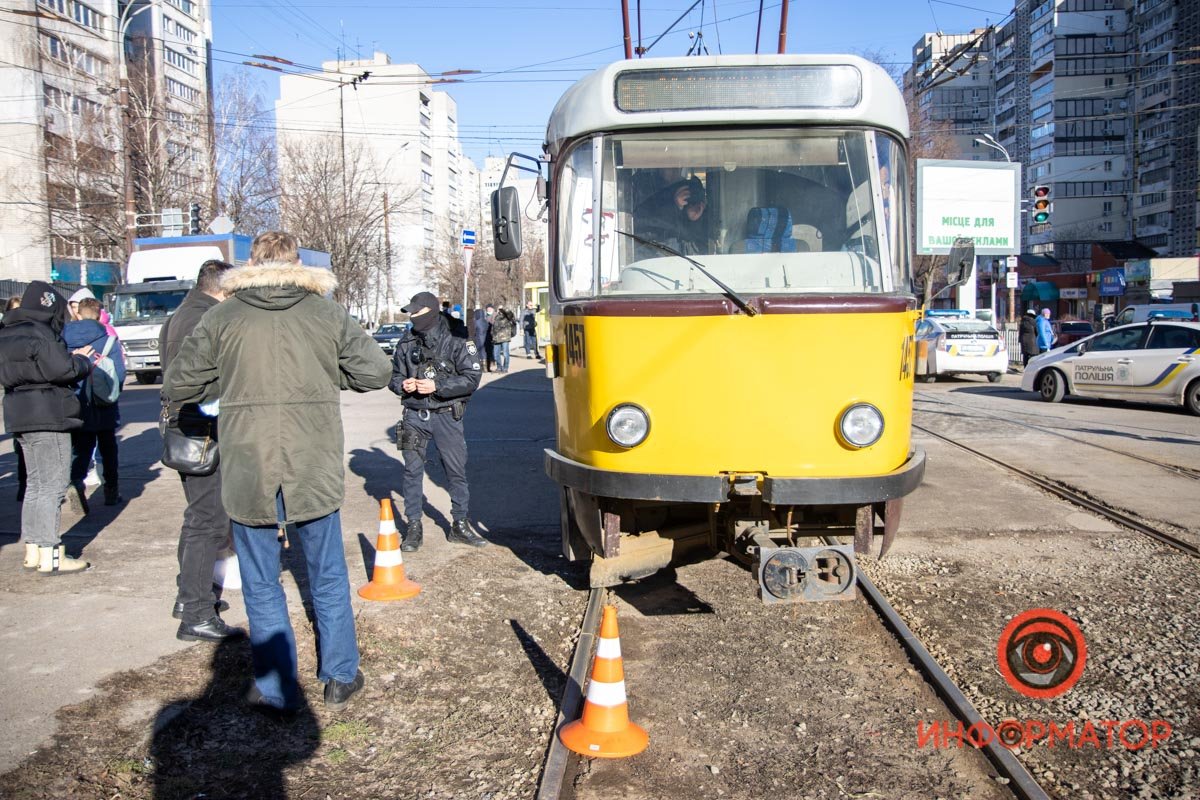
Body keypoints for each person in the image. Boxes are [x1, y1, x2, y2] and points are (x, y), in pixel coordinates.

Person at [164, 231, 392, 712]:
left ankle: (275, 688)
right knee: (327, 573)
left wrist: (221, 378)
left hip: (248, 466)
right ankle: (339, 676)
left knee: (261, 580)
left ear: (249, 266)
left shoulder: (223, 316)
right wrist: (334, 371)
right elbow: (375, 372)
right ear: (296, 263)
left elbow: (180, 381)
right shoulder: (326, 312)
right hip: (313, 467)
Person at [159, 259, 244, 642]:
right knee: (207, 521)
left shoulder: (184, 312)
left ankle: (188, 596)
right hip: (201, 430)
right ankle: (195, 612)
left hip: (191, 428)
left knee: (200, 516)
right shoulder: (202, 319)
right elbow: (199, 381)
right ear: (223, 289)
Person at [0, 282, 94, 575]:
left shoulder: (6, 332)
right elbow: (62, 369)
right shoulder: (41, 332)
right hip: (49, 414)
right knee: (52, 486)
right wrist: (83, 361)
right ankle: (52, 553)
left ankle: (35, 550)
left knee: (35, 485)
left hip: (19, 412)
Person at [390, 291, 486, 552]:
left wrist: (437, 385)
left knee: (455, 471)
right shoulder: (407, 341)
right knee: (412, 471)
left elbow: (471, 379)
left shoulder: (456, 338)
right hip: (413, 415)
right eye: (410, 313)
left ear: (431, 312)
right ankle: (413, 526)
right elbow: (394, 376)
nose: (412, 318)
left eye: (417, 313)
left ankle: (460, 524)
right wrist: (403, 384)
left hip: (445, 414)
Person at [63, 298, 126, 509]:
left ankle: (76, 481)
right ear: (100, 315)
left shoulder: (64, 339)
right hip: (105, 403)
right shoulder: (108, 341)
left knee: (81, 446)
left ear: (78, 314)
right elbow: (120, 373)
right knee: (108, 447)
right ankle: (111, 489)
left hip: (77, 401)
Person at [634, 175, 712, 256]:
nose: (691, 202)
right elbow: (642, 222)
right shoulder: (648, 194)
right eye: (686, 197)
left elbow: (708, 248)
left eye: (693, 197)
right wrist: (674, 206)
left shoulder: (708, 220)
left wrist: (697, 219)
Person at [3, 296, 27, 502]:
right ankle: (23, 484)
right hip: (15, 395)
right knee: (21, 443)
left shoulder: (36, 332)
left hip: (33, 395)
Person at [491, 303, 517, 373]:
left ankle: (505, 368)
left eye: (501, 309)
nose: (500, 310)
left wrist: (504, 310)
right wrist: (492, 335)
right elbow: (493, 327)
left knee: (505, 354)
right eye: (499, 309)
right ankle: (499, 367)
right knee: (496, 354)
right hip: (496, 338)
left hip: (505, 337)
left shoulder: (507, 316)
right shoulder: (496, 317)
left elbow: (511, 315)